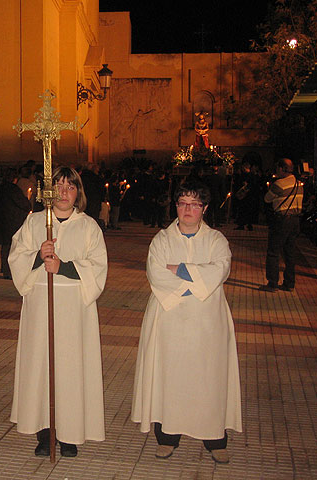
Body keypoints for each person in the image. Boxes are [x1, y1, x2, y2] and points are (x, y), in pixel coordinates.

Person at [131, 179, 242, 464]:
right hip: (169, 321)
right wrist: (195, 281)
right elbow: (156, 274)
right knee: (170, 376)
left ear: (204, 208)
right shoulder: (162, 240)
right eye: (182, 203)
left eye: (194, 204)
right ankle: (167, 436)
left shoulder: (216, 240)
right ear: (176, 206)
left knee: (209, 377)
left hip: (208, 322)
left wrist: (179, 269)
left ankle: (215, 439)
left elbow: (221, 269)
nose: (188, 209)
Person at [8, 166, 107, 458]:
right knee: (41, 365)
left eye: (70, 186)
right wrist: (38, 258)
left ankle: (70, 434)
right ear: (48, 191)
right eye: (58, 186)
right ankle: (44, 432)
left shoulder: (89, 226)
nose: (63, 192)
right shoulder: (35, 222)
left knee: (71, 367)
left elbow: (99, 267)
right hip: (41, 305)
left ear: (79, 193)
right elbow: (15, 256)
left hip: (75, 310)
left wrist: (63, 266)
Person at [260, 158, 303, 293]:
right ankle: (289, 283)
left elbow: (267, 198)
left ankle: (272, 283)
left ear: (282, 169)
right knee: (289, 252)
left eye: (277, 168)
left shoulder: (279, 184)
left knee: (273, 251)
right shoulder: (298, 183)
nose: (276, 171)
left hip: (282, 220)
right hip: (295, 220)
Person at [0, 167, 31, 279]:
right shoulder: (13, 189)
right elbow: (24, 204)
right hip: (13, 221)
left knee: (6, 246)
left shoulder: (0, 188)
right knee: (12, 247)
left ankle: (5, 269)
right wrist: (27, 201)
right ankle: (9, 271)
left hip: (3, 220)